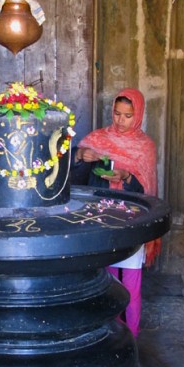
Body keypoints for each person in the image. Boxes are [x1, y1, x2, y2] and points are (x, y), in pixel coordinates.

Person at [74, 88, 160, 337]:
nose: (121, 121)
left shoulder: (145, 147)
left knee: (131, 286)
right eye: (117, 113)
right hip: (100, 221)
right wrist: (81, 155)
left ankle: (130, 338)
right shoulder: (97, 139)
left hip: (131, 224)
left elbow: (148, 190)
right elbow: (75, 179)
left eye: (128, 115)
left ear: (139, 115)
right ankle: (108, 336)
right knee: (106, 281)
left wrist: (127, 176)